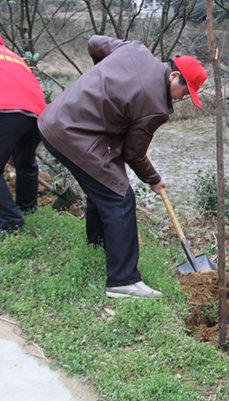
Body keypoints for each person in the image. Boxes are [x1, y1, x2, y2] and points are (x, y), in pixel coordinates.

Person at [38, 35, 208, 298]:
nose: (181, 99)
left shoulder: (134, 50)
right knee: (120, 198)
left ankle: (97, 243)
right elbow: (133, 153)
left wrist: (102, 76)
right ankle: (123, 281)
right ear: (174, 76)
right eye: (185, 92)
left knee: (104, 185)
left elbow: (95, 42)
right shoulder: (156, 105)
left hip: (54, 121)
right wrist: (153, 179)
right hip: (75, 136)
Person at [0, 35, 46, 235]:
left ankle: (10, 222)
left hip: (6, 110)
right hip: (37, 114)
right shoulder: (13, 57)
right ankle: (28, 208)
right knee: (25, 161)